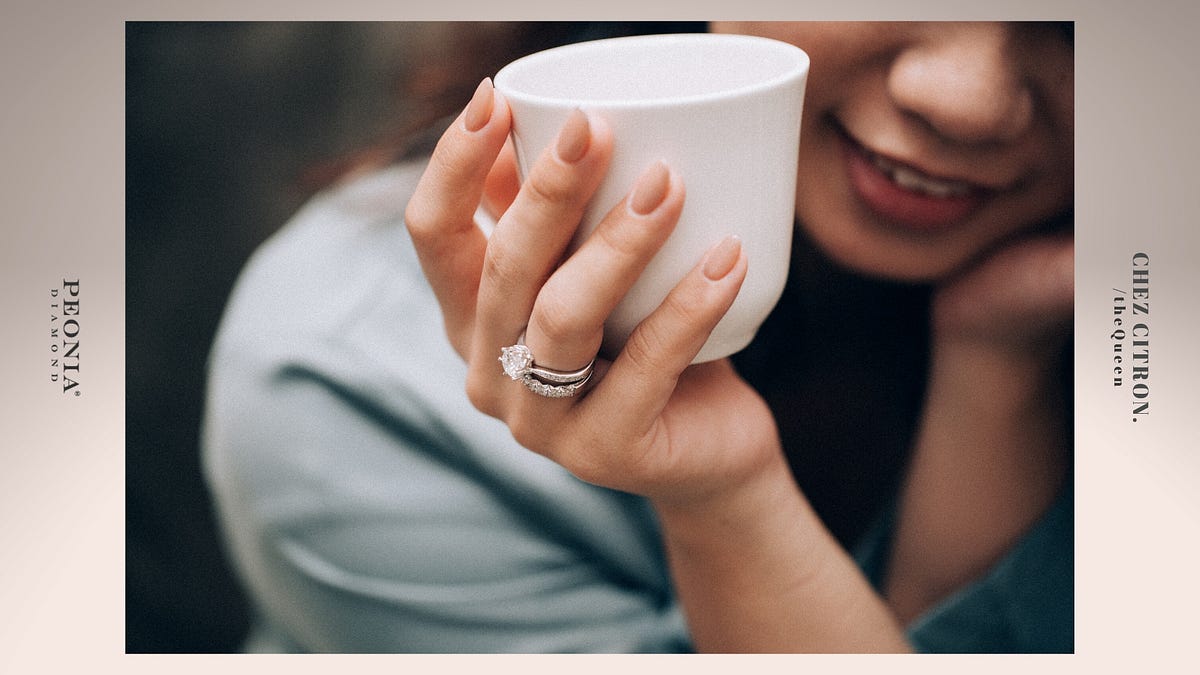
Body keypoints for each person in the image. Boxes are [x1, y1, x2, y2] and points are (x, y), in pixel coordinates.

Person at [203, 21, 1074, 653]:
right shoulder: (348, 384)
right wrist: (724, 499)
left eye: (1077, 25)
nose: (967, 101)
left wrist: (997, 367)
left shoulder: (1118, 329)